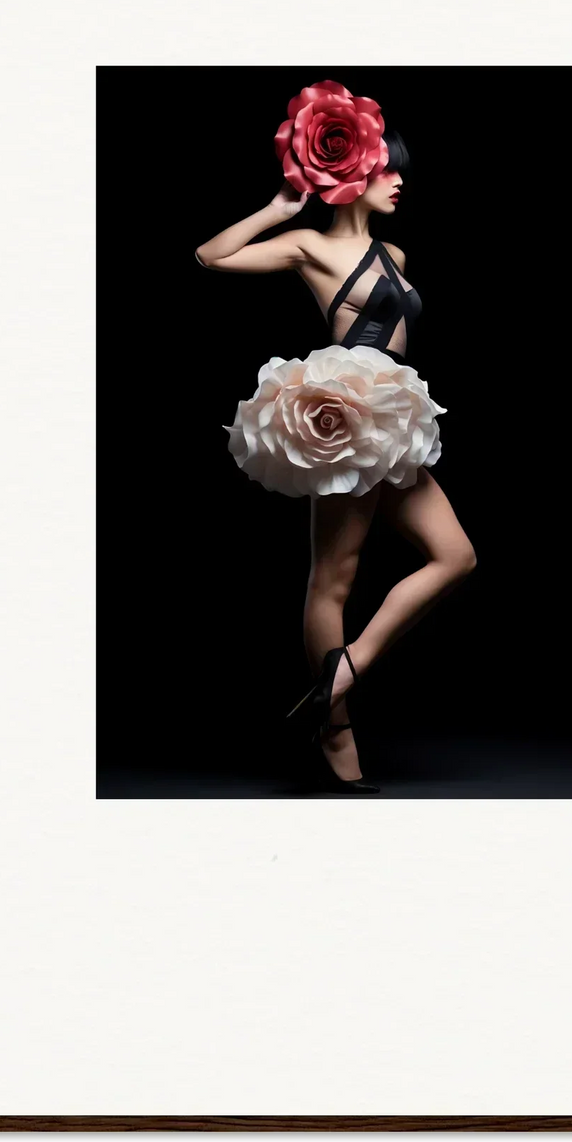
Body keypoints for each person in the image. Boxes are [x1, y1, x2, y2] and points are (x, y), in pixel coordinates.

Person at [195, 122, 477, 794]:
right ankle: (337, 724)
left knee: (455, 556)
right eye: (387, 170)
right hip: (343, 413)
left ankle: (344, 669)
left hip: (390, 415)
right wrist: (279, 208)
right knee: (333, 577)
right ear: (353, 176)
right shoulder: (311, 245)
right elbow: (210, 256)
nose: (399, 181)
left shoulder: (395, 255)